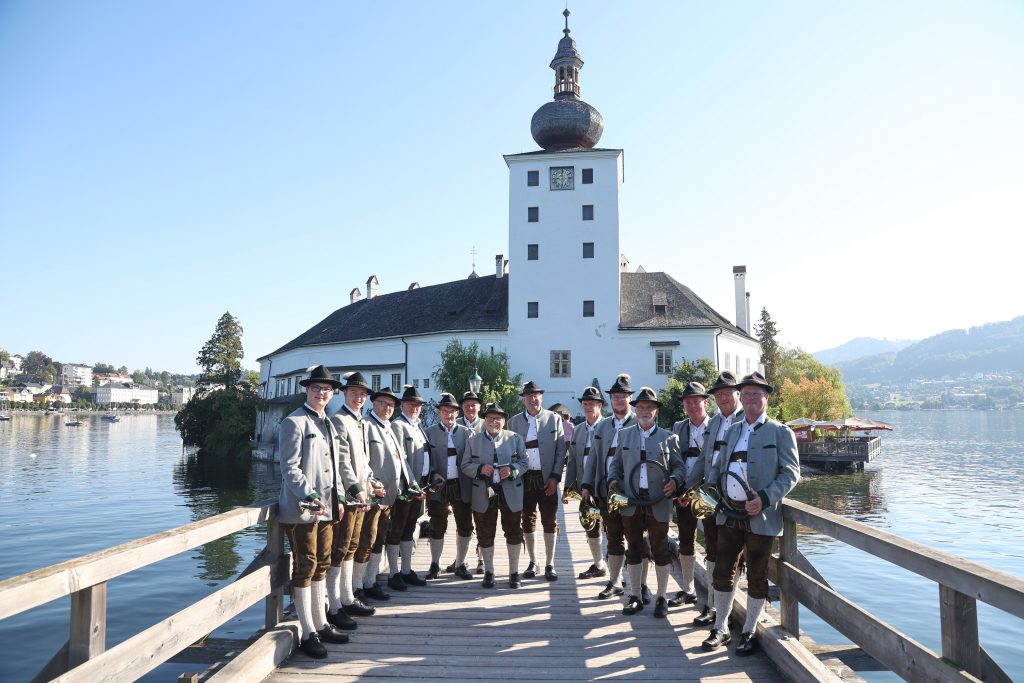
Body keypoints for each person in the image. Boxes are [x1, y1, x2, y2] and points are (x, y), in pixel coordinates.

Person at [702, 371, 800, 655]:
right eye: (746, 394)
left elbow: (791, 473)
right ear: (740, 398)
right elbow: (719, 467)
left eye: (757, 394)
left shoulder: (781, 432)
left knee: (757, 576)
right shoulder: (732, 430)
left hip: (761, 516)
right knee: (722, 571)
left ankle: (748, 632)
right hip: (729, 514)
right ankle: (720, 627)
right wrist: (713, 493)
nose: (751, 399)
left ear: (766, 398)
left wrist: (766, 498)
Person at [276, 365, 351, 658]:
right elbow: (290, 468)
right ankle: (307, 631)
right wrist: (311, 494)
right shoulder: (293, 423)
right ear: (307, 390)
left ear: (332, 393)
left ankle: (321, 622)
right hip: (302, 510)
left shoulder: (329, 423)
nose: (322, 393)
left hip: (327, 508)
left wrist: (340, 497)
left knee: (322, 562)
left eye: (327, 389)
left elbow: (334, 469)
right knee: (305, 565)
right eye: (317, 388)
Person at [607, 386, 685, 618]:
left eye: (649, 407)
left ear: (656, 412)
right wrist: (612, 479)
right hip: (631, 501)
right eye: (641, 407)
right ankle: (635, 596)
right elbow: (616, 464)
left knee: (660, 549)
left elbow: (679, 467)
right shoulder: (624, 435)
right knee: (633, 549)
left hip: (658, 502)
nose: (644, 411)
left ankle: (662, 597)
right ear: (636, 409)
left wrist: (674, 480)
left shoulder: (669, 438)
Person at [681, 371, 743, 624]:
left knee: (734, 556)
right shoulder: (715, 423)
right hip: (710, 496)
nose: (724, 398)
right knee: (712, 550)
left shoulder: (746, 419)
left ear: (737, 394)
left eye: (728, 393)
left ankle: (723, 609)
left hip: (737, 499)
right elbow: (704, 461)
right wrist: (687, 489)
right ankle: (711, 604)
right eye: (719, 394)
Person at [581, 373, 639, 600]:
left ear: (630, 399)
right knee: (613, 537)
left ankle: (638, 584)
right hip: (606, 490)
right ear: (611, 400)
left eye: (623, 397)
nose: (619, 401)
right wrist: (586, 484)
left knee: (636, 539)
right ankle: (614, 581)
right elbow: (594, 457)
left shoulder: (638, 422)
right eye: (615, 397)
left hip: (632, 492)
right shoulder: (603, 426)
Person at [328, 372, 377, 622]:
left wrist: (371, 481)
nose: (359, 398)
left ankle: (347, 597)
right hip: (349, 496)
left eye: (363, 394)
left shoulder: (362, 422)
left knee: (353, 545)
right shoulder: (339, 420)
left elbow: (364, 460)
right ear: (345, 393)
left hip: (362, 495)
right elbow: (343, 462)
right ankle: (335, 604)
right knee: (341, 547)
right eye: (355, 393)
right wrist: (356, 488)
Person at [463, 402, 527, 588]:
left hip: (510, 493)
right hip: (483, 493)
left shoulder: (515, 438)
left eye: (498, 418)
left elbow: (524, 462)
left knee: (514, 532)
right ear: (484, 421)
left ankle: (514, 573)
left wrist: (513, 469)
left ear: (504, 421)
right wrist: (480, 469)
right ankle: (489, 572)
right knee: (484, 532)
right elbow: (465, 465)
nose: (494, 421)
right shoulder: (472, 441)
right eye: (490, 418)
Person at [507, 380, 566, 581]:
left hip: (547, 476)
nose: (533, 399)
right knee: (527, 519)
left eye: (536, 395)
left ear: (541, 397)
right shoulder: (514, 422)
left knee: (549, 520)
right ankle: (534, 561)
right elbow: (509, 452)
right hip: (524, 478)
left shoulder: (554, 419)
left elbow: (561, 450)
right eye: (529, 396)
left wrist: (556, 477)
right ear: (524, 399)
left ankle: (550, 563)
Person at [355, 386, 407, 602]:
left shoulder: (390, 428)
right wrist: (370, 484)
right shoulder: (366, 425)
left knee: (378, 539)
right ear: (373, 403)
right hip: (373, 494)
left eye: (391, 404)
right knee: (365, 540)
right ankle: (357, 587)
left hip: (390, 495)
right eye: (383, 403)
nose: (387, 407)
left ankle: (371, 581)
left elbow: (399, 460)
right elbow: (362, 460)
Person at [668, 381, 710, 608]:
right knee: (686, 540)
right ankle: (688, 588)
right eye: (688, 402)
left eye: (696, 401)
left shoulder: (718, 427)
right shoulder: (678, 427)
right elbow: (675, 460)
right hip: (684, 492)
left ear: (706, 402)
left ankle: (714, 596)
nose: (692, 406)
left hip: (710, 493)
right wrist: (678, 487)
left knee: (714, 544)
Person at [424, 392, 475, 579]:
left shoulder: (467, 433)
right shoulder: (428, 433)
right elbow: (424, 462)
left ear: (457, 412)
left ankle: (461, 564)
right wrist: (431, 474)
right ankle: (434, 564)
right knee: (437, 524)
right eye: (445, 411)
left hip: (461, 485)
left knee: (465, 524)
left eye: (452, 411)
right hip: (439, 486)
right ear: (439, 412)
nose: (449, 415)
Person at [387, 385, 430, 591]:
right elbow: (401, 460)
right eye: (411, 404)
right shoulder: (398, 425)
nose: (415, 407)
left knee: (410, 527)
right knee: (397, 528)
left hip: (419, 486)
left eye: (418, 404)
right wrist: (413, 485)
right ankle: (394, 573)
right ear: (402, 405)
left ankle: (406, 570)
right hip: (405, 488)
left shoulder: (417, 426)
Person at [566, 385, 607, 579]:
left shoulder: (608, 427)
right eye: (585, 403)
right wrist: (569, 486)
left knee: (614, 528)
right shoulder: (578, 429)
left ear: (600, 406)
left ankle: (621, 572)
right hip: (585, 487)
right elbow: (573, 458)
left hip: (605, 486)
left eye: (592, 403)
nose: (588, 407)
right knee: (590, 525)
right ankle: (598, 564)